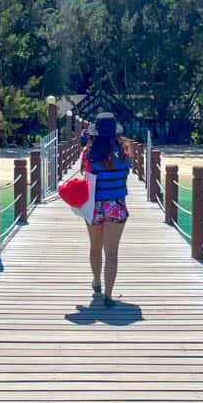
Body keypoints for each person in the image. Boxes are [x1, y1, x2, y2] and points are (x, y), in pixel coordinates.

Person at [81, 113, 130, 307]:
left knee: (95, 247)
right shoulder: (124, 152)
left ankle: (96, 282)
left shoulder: (89, 154)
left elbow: (84, 174)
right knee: (111, 252)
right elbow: (126, 172)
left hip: (94, 205)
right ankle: (108, 296)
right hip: (116, 205)